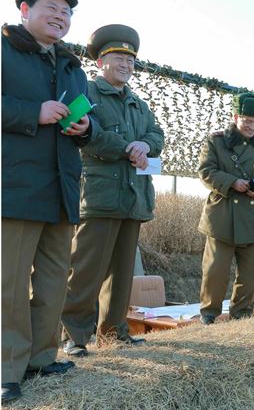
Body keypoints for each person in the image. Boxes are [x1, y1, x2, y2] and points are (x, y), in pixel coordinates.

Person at [1, 0, 93, 403]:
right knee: (9, 283)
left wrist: (85, 128)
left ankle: (41, 357)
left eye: (67, 11)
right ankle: (8, 368)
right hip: (14, 185)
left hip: (62, 187)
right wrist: (30, 112)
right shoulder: (4, 51)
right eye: (52, 8)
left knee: (54, 279)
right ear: (24, 9)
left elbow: (85, 126)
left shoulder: (73, 67)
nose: (61, 16)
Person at [61, 24, 165, 356]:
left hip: (134, 197)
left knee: (122, 274)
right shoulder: (87, 93)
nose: (126, 64)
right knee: (86, 270)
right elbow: (83, 133)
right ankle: (75, 335)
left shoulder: (139, 104)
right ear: (100, 61)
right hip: (100, 194)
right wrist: (128, 148)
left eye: (130, 60)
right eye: (118, 57)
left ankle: (113, 331)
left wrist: (144, 146)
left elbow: (157, 136)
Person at [197, 93, 254, 325]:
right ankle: (209, 314)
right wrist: (232, 182)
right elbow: (205, 171)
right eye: (247, 120)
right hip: (222, 216)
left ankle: (241, 316)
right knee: (215, 272)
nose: (252, 126)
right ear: (235, 116)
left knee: (250, 274)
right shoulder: (216, 141)